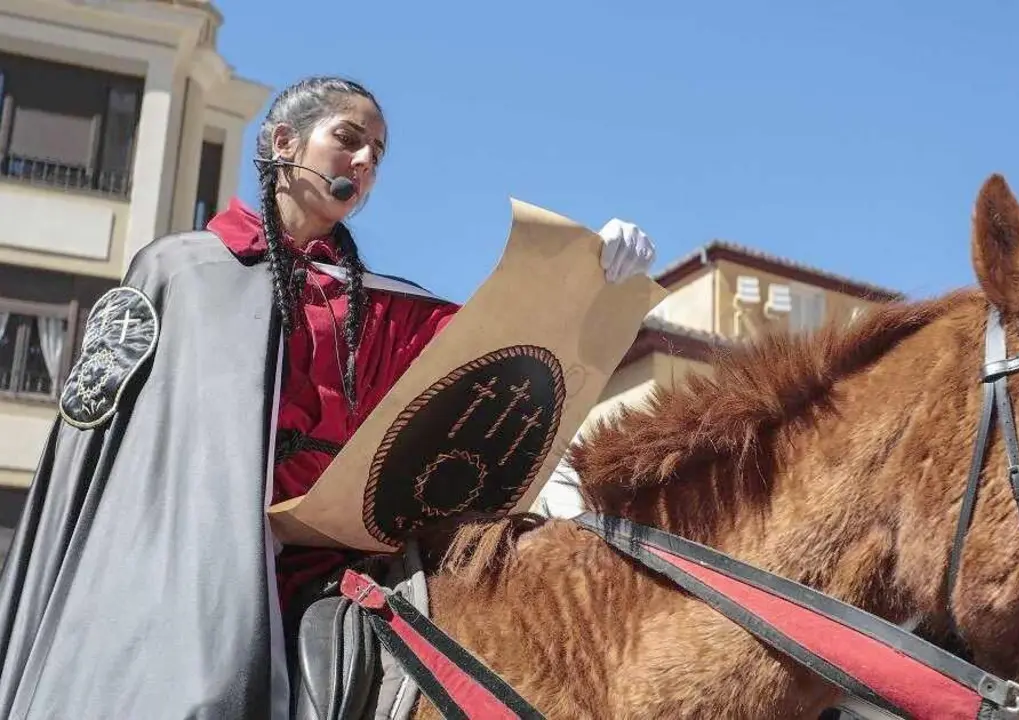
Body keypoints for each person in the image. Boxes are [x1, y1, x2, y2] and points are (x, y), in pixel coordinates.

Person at [0, 75, 657, 720]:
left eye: (378, 153)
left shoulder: (386, 306)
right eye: (348, 139)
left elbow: (495, 350)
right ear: (284, 142)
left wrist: (590, 274)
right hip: (196, 560)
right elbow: (103, 439)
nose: (365, 161)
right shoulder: (183, 271)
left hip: (343, 565)